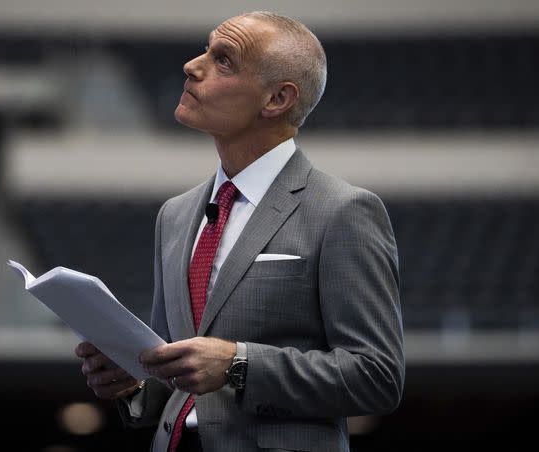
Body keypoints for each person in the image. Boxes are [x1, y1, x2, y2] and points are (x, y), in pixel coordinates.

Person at [75, 11, 404, 452]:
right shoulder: (174, 215)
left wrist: (239, 364)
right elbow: (178, 376)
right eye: (205, 50)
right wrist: (131, 382)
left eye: (224, 60)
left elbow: (377, 375)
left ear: (277, 100)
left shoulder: (344, 211)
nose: (193, 65)